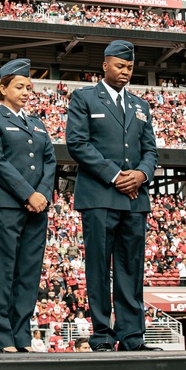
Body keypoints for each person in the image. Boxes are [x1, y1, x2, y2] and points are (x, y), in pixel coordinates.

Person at [66, 40, 159, 352]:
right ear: (105, 65)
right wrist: (116, 174)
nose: (125, 72)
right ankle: (103, 335)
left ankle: (133, 336)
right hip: (100, 196)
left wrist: (142, 174)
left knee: (131, 270)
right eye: (120, 66)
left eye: (130, 67)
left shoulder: (140, 105)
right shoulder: (84, 98)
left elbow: (151, 150)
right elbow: (77, 143)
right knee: (98, 269)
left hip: (135, 198)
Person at [0, 58, 56, 353]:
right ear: (3, 88)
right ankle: (4, 336)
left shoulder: (36, 123)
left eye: (29, 87)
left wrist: (43, 194)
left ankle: (22, 335)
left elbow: (49, 159)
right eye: (20, 86)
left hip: (38, 207)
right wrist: (28, 194)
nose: (26, 91)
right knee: (5, 271)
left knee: (29, 273)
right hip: (6, 206)